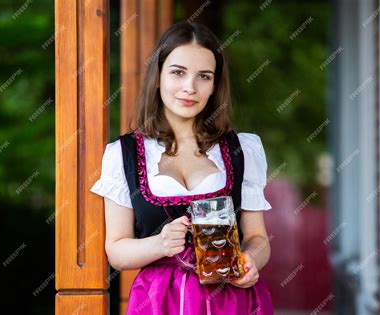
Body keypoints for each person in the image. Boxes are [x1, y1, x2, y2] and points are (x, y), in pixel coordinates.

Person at [90, 21, 273, 315]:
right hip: (158, 303)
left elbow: (257, 238)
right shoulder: (122, 154)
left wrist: (251, 260)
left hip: (231, 301)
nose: (190, 87)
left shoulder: (242, 150)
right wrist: (160, 244)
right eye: (178, 72)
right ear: (158, 76)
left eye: (204, 76)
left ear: (215, 86)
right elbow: (117, 251)